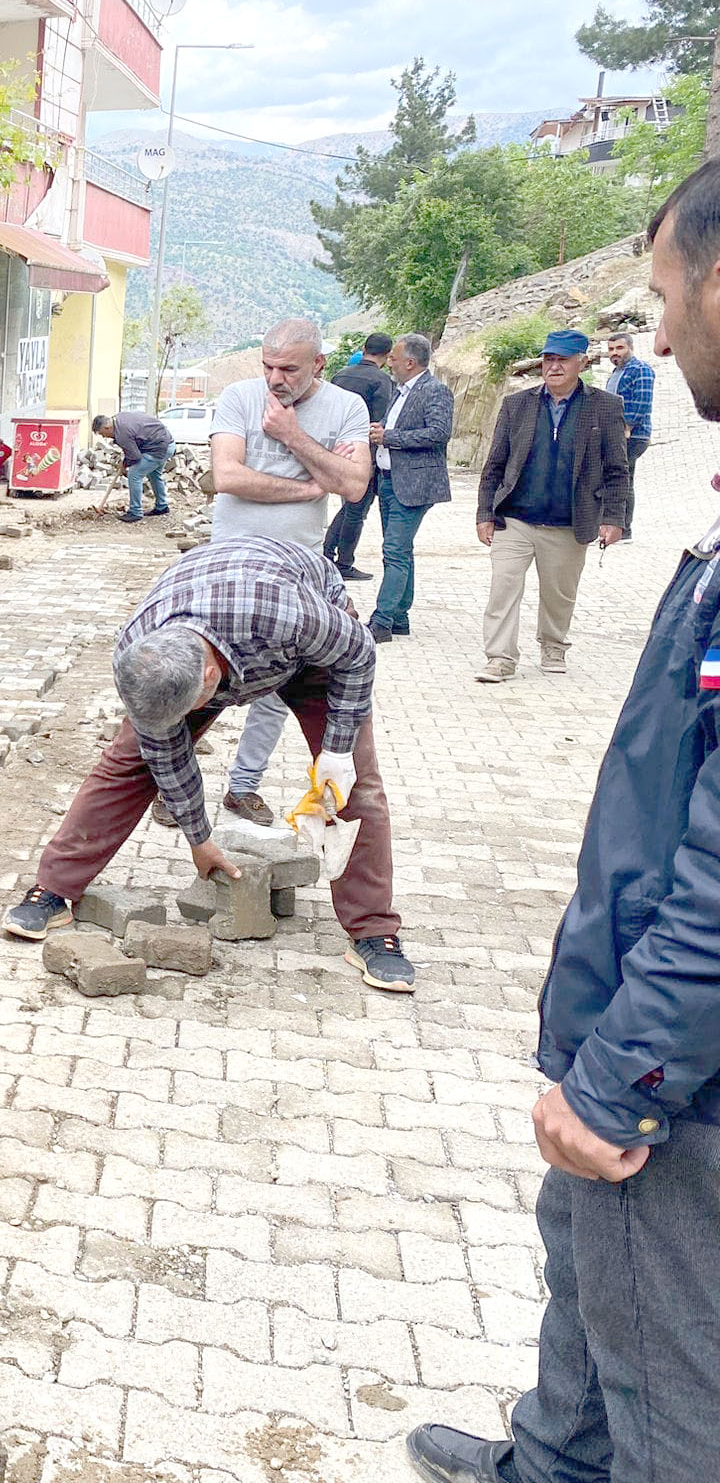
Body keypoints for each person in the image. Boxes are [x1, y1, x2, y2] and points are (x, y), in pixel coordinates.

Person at [403, 161, 720, 1483]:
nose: (660, 334)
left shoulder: (607, 417)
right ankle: (547, 1458)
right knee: (587, 1271)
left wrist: (628, 1070)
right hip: (631, 1026)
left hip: (675, 1075)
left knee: (670, 1372)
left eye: (664, 297)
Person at [0, 535, 417, 993]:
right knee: (130, 759)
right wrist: (199, 837)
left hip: (307, 642)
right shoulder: (142, 655)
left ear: (209, 678)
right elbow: (165, 752)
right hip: (212, 625)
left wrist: (336, 753)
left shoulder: (286, 615)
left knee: (356, 786)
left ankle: (373, 931)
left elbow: (359, 653)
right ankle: (55, 890)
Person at [209, 319, 373, 829]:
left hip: (300, 570)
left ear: (319, 364)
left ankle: (243, 786)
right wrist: (308, 485)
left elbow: (353, 484)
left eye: (289, 369)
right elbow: (226, 477)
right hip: (227, 564)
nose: (275, 379)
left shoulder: (347, 407)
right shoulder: (239, 396)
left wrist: (291, 436)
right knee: (205, 679)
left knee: (282, 682)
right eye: (268, 366)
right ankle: (173, 787)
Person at [473, 329, 629, 684]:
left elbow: (618, 470)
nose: (554, 366)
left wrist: (613, 518)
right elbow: (494, 465)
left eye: (562, 359)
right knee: (503, 588)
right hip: (515, 518)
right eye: (548, 359)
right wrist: (484, 513)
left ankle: (553, 644)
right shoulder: (518, 404)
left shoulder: (605, 406)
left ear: (582, 363)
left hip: (568, 521)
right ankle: (500, 657)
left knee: (560, 594)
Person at [366, 334, 453, 643]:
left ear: (410, 363)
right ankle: (400, 616)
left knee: (394, 551)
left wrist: (390, 437)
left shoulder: (435, 391)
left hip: (414, 483)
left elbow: (439, 433)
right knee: (401, 550)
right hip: (389, 481)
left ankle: (382, 620)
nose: (389, 362)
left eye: (394, 358)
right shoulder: (398, 391)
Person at [321, 332, 397, 581]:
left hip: (334, 447)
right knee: (356, 509)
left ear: (364, 348)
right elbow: (379, 422)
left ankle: (328, 554)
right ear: (387, 356)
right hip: (365, 452)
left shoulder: (341, 375)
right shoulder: (382, 381)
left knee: (349, 507)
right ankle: (342, 562)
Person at [603, 330, 656, 533]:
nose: (615, 353)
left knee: (622, 480)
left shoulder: (640, 369)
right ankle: (612, 525)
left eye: (619, 348)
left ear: (630, 348)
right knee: (615, 479)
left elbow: (642, 402)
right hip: (615, 435)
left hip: (633, 436)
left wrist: (628, 427)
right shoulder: (617, 373)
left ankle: (624, 529)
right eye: (611, 349)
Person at [91, 411, 174, 523]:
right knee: (154, 474)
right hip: (167, 443)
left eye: (102, 434)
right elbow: (132, 447)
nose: (105, 437)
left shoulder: (122, 433)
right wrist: (125, 461)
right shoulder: (119, 418)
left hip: (158, 448)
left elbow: (135, 456)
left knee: (134, 474)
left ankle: (135, 512)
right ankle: (162, 506)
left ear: (107, 427)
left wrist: (126, 463)